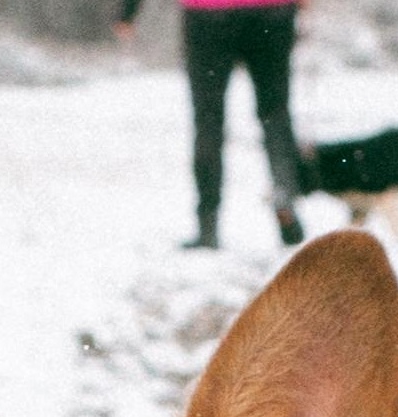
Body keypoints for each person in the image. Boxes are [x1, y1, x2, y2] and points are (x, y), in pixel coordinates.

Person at [116, 0, 306, 252]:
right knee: (275, 113)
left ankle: (207, 227)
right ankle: (285, 197)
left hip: (208, 16)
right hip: (270, 13)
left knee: (208, 121)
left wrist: (127, 13)